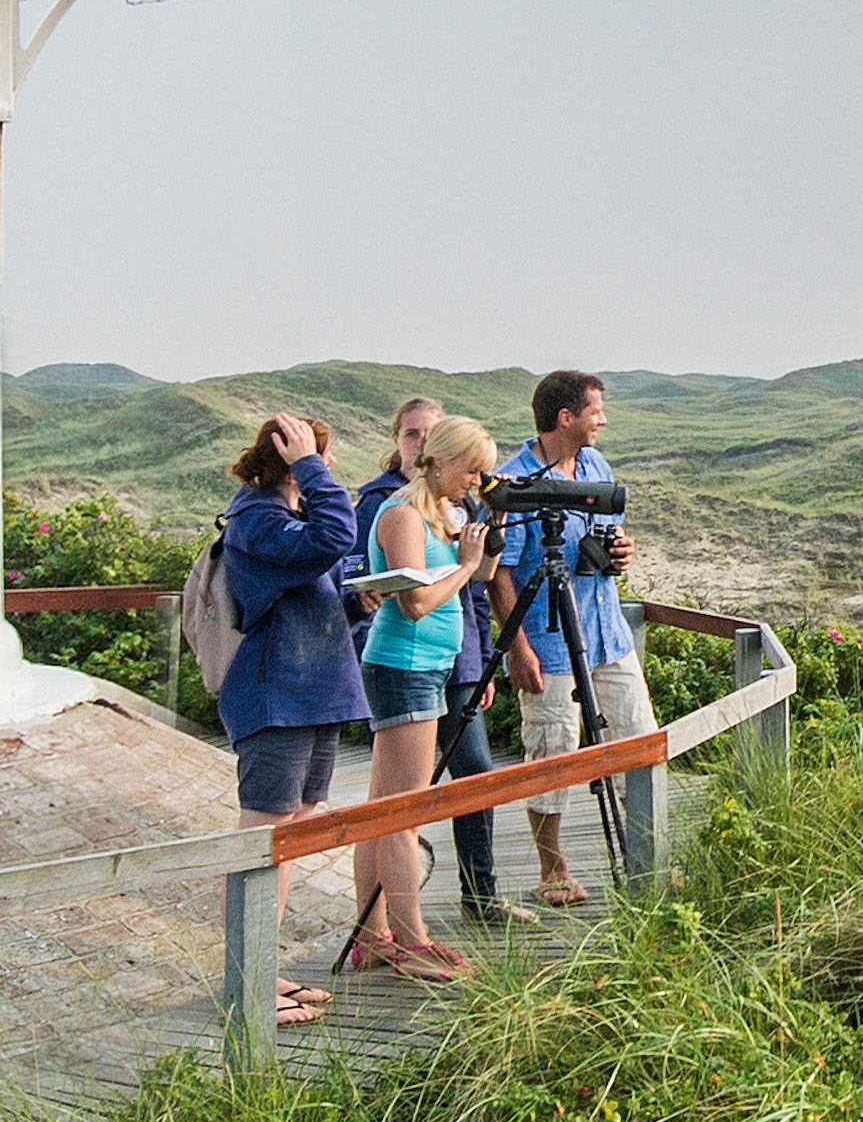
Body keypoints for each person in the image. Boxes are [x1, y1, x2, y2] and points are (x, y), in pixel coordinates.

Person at [208, 411, 372, 1024]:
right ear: (290, 458)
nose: (327, 469)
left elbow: (312, 594)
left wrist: (358, 602)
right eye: (316, 457)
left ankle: (261, 972)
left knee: (290, 837)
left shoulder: (287, 520)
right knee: (262, 843)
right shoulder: (256, 519)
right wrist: (308, 465)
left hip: (316, 691)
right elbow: (335, 539)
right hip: (276, 696)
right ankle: (246, 988)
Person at [337, 415, 503, 979]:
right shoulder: (404, 514)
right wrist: (463, 565)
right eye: (472, 470)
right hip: (405, 666)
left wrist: (485, 544)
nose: (476, 482)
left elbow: (475, 582)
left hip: (424, 667)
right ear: (441, 460)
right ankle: (413, 943)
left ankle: (374, 936)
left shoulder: (441, 513)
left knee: (382, 812)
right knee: (403, 815)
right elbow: (413, 603)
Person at [484, 369, 649, 910]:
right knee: (552, 748)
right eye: (596, 411)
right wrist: (517, 648)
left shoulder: (596, 465)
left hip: (605, 630)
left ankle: (647, 859)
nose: (603, 420)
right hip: (548, 638)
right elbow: (500, 573)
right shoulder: (515, 483)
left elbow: (608, 532)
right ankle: (552, 870)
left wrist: (619, 550)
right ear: (567, 418)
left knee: (638, 738)